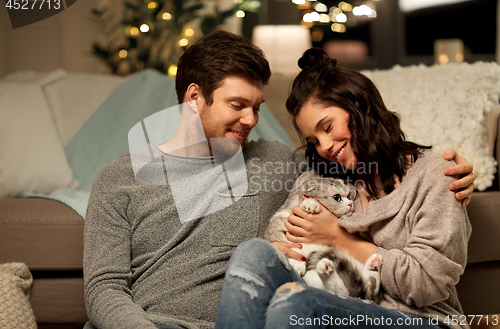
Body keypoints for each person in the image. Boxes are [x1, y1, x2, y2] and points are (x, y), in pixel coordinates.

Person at [84, 32, 474, 329]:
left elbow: (372, 150)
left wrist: (460, 172)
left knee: (258, 258)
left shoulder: (271, 160)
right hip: (152, 325)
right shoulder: (119, 180)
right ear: (193, 98)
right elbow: (104, 289)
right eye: (238, 106)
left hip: (251, 319)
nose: (251, 121)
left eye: (256, 108)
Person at [214, 48, 473, 329]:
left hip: (419, 318)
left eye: (327, 127)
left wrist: (340, 239)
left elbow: (427, 283)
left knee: (300, 305)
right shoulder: (319, 176)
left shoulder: (436, 175)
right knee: (252, 252)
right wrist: (280, 250)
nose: (323, 147)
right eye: (314, 140)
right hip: (334, 297)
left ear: (362, 106)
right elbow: (288, 241)